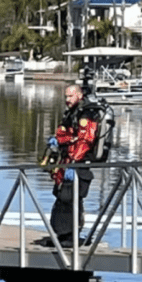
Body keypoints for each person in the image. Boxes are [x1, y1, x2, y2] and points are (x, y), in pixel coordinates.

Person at [39, 84, 97, 247]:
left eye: (70, 96)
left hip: (77, 163)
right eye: (65, 97)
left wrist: (73, 161)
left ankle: (71, 237)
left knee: (70, 197)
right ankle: (62, 235)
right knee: (61, 196)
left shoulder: (87, 114)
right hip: (66, 161)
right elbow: (66, 133)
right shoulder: (71, 113)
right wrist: (57, 142)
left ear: (79, 95)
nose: (67, 100)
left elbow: (86, 140)